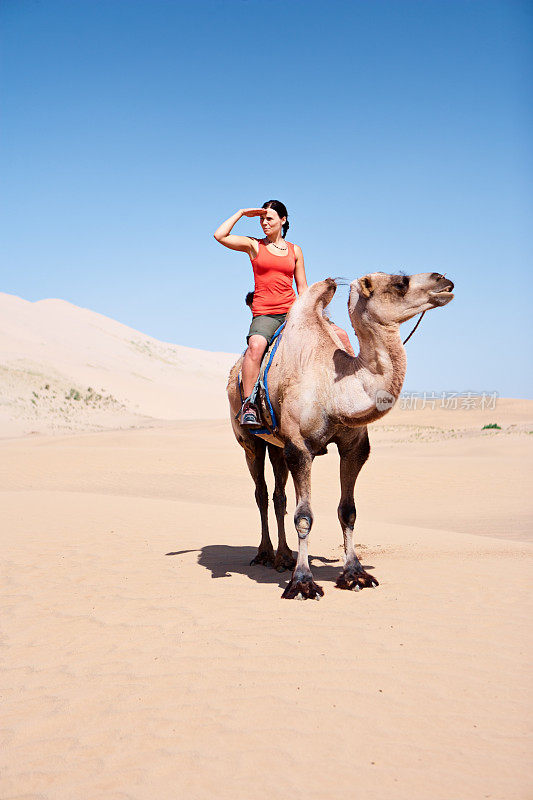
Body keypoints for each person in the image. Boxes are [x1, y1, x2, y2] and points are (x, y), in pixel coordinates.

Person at [214, 201, 308, 426]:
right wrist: (241, 213)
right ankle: (249, 405)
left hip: (291, 313)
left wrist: (310, 313)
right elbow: (220, 235)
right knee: (255, 347)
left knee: (329, 337)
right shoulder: (254, 245)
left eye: (270, 219)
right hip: (265, 314)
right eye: (262, 219)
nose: (264, 223)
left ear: (283, 221)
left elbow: (302, 287)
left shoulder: (295, 250)